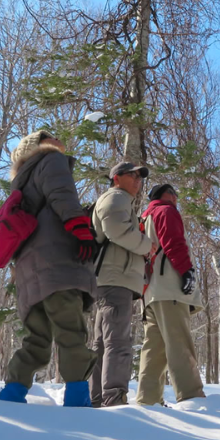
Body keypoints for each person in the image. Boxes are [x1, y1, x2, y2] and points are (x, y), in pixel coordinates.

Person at [0, 131, 98, 407]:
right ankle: (77, 399)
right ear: (39, 145)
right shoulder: (51, 160)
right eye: (50, 136)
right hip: (58, 265)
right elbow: (62, 194)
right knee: (70, 331)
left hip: (30, 274)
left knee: (36, 339)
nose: (58, 139)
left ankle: (11, 394)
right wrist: (80, 227)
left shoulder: (21, 182)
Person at [89, 162, 155, 407]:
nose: (138, 180)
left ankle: (96, 398)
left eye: (140, 176)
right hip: (115, 279)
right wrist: (147, 245)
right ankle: (114, 399)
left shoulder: (119, 199)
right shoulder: (116, 198)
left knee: (102, 343)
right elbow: (116, 230)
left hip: (112, 279)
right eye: (132, 175)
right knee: (118, 342)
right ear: (116, 178)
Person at [136, 184, 205, 406]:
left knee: (153, 350)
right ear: (167, 196)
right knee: (179, 343)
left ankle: (147, 401)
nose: (176, 200)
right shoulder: (166, 211)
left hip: (150, 293)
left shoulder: (144, 218)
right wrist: (187, 271)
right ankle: (191, 397)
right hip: (169, 286)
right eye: (175, 195)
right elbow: (174, 243)